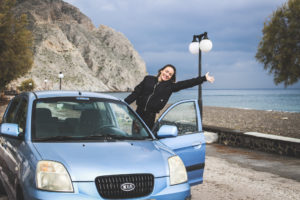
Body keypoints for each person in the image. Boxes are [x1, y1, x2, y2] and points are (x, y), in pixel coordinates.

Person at [124, 64, 215, 129]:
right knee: (135, 138)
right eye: (166, 71)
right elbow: (136, 93)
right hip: (138, 114)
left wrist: (203, 78)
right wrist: (123, 103)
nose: (167, 75)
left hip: (150, 117)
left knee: (145, 141)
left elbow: (186, 83)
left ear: (171, 77)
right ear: (161, 71)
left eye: (170, 74)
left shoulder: (170, 87)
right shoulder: (148, 79)